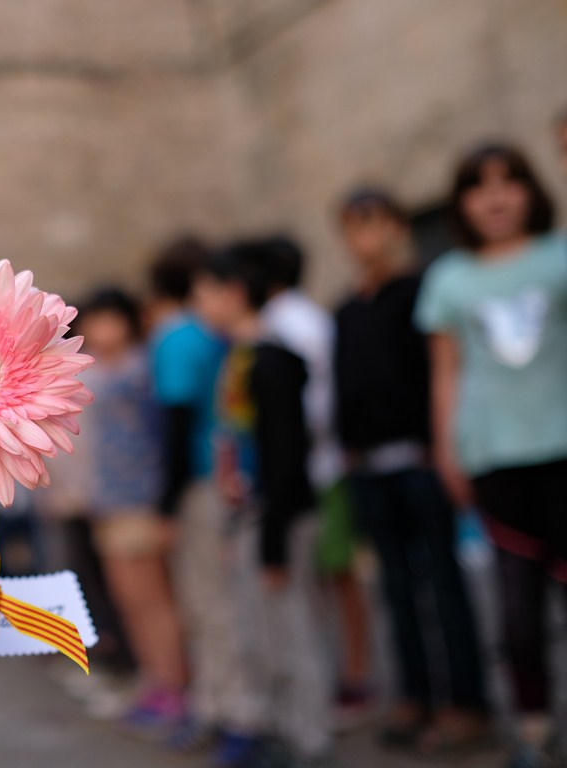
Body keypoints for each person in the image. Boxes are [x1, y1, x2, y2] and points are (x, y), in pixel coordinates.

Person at [415, 144, 567, 768]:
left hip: (561, 452)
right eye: (479, 186)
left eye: (509, 182)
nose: (496, 198)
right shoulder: (450, 279)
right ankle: (533, 725)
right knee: (515, 611)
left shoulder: (559, 257)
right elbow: (446, 372)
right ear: (461, 203)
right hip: (496, 459)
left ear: (531, 189)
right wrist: (448, 448)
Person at [334, 187, 490, 756]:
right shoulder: (347, 308)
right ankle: (415, 693)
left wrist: (439, 444)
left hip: (421, 460)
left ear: (398, 228)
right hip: (370, 467)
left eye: (374, 223)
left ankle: (466, 701)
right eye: (353, 227)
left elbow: (441, 372)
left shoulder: (423, 291)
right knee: (395, 590)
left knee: (444, 585)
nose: (365, 238)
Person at [194, 242, 332, 768]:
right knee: (262, 632)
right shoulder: (239, 356)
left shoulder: (271, 361)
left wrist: (273, 542)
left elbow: (284, 456)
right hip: (252, 516)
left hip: (279, 517)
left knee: (291, 630)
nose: (200, 306)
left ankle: (309, 740)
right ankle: (278, 730)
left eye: (205, 294)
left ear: (234, 293)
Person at [259, 235, 372, 724]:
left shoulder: (288, 324)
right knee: (328, 575)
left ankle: (355, 675)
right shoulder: (304, 318)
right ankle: (343, 673)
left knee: (336, 572)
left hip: (317, 466)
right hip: (316, 462)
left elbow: (318, 400)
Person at [77, 288, 189, 742]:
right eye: (93, 320)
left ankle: (175, 685)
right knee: (128, 599)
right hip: (107, 500)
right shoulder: (91, 370)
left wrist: (165, 507)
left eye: (109, 318)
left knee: (155, 599)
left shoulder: (142, 368)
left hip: (141, 498)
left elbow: (163, 437)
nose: (100, 329)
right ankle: (154, 681)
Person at [144, 236, 227, 749]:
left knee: (206, 602)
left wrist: (165, 504)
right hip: (223, 473)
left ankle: (220, 711)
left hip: (197, 481)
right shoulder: (213, 331)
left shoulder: (175, 337)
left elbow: (177, 420)